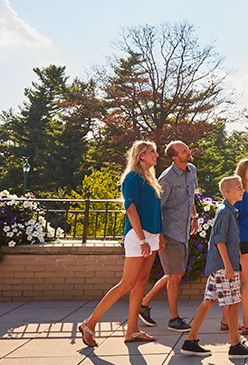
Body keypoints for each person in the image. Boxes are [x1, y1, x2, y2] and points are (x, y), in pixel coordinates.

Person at [79, 140, 163, 347]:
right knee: (127, 284)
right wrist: (142, 238)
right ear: (141, 155)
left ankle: (132, 330)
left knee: (142, 282)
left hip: (151, 236)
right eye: (152, 151)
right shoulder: (133, 177)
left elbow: (155, 211)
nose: (157, 155)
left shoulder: (150, 179)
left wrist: (159, 236)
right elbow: (131, 209)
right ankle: (89, 323)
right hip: (138, 236)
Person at [180, 176, 248, 359]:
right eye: (239, 187)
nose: (242, 190)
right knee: (233, 303)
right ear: (227, 192)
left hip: (221, 266)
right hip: (225, 267)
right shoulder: (225, 211)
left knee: (208, 301)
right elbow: (219, 240)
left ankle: (190, 341)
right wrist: (229, 267)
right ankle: (235, 346)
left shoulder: (230, 210)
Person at [139, 140, 199, 332]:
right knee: (174, 276)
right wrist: (161, 235)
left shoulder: (192, 170)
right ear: (175, 157)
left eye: (187, 148)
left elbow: (191, 197)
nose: (188, 152)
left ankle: (144, 303)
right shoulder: (167, 178)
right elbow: (159, 207)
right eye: (184, 151)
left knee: (176, 273)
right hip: (170, 232)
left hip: (184, 232)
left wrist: (194, 217)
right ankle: (174, 318)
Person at [220, 159, 248, 335]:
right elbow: (233, 219)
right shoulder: (240, 195)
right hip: (238, 242)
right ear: (242, 172)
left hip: (246, 240)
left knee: (236, 282)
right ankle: (247, 323)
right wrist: (236, 245)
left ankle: (226, 321)